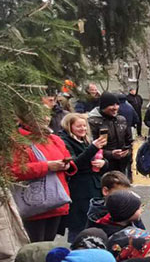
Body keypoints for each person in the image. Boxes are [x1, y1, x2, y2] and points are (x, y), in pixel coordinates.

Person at [11, 115, 75, 242]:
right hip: (33, 205)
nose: (46, 118)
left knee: (48, 246)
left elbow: (67, 157)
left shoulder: (54, 139)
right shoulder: (17, 141)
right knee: (35, 248)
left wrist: (67, 165)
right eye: (40, 115)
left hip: (56, 201)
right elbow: (14, 170)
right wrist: (47, 166)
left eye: (47, 115)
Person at [59, 113, 108, 243]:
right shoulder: (65, 141)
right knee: (79, 226)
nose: (83, 129)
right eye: (78, 126)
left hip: (94, 185)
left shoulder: (86, 140)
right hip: (78, 189)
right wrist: (93, 148)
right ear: (69, 127)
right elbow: (74, 165)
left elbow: (98, 158)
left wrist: (103, 163)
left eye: (84, 126)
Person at [88, 92, 133, 176]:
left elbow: (129, 141)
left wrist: (127, 152)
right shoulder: (93, 122)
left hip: (121, 165)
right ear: (104, 106)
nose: (115, 107)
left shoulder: (121, 120)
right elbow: (90, 147)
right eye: (112, 105)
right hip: (102, 166)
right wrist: (111, 154)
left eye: (117, 104)